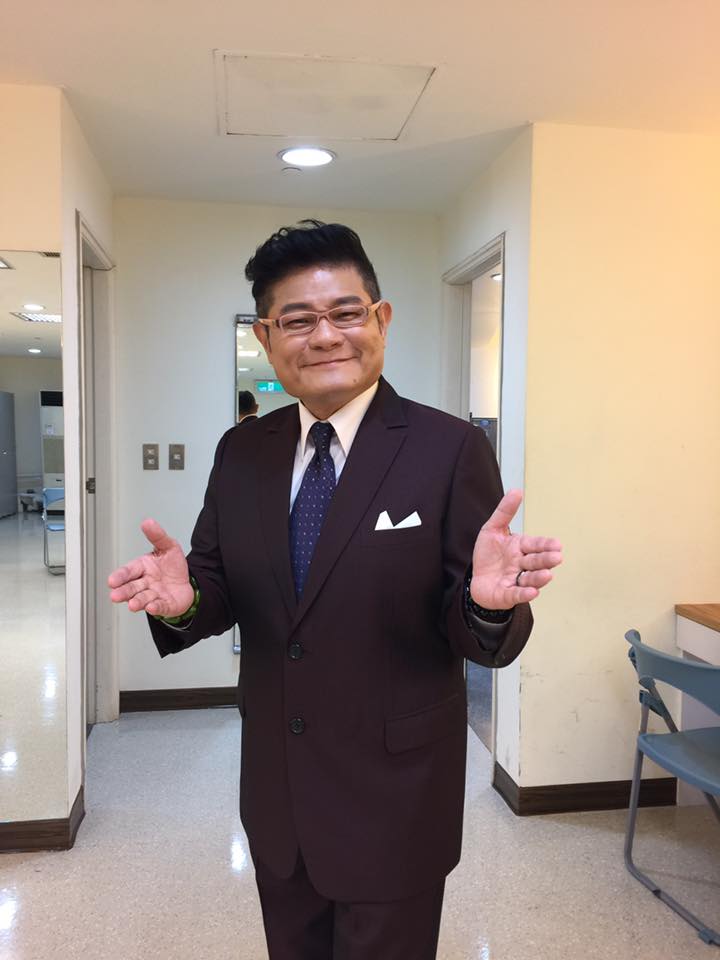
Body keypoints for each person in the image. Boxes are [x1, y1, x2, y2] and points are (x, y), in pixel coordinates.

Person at [108, 220, 563, 960]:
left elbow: (473, 628)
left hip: (397, 792)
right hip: (278, 790)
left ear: (380, 320)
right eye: (297, 320)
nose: (325, 336)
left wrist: (484, 602)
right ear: (266, 337)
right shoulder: (243, 450)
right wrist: (185, 600)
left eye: (346, 313)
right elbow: (217, 585)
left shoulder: (448, 448)